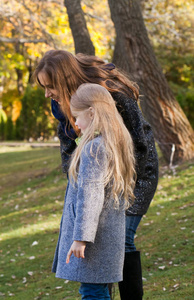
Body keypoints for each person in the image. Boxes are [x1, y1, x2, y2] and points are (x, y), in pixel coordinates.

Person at [33, 50, 159, 299]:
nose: (47, 93)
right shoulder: (65, 103)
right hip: (99, 172)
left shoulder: (110, 94)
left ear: (64, 78)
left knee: (119, 241)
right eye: (43, 87)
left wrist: (121, 184)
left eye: (50, 86)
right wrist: (78, 173)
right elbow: (68, 145)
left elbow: (139, 141)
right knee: (102, 250)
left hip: (134, 175)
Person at [52, 83, 136, 299]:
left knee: (92, 292)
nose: (76, 124)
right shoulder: (112, 142)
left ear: (92, 113)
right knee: (95, 290)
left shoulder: (95, 148)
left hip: (95, 241)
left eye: (77, 116)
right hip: (103, 238)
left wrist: (81, 238)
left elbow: (91, 195)